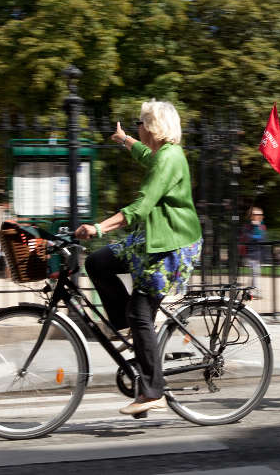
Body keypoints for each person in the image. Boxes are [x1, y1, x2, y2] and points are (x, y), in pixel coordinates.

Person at [74, 100, 202, 416]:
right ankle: (125, 328)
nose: (138, 128)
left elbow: (140, 208)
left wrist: (99, 227)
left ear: (154, 127)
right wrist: (124, 140)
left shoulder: (170, 158)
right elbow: (148, 157)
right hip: (151, 238)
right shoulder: (162, 155)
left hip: (172, 246)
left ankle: (153, 392)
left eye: (141, 124)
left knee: (141, 311)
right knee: (97, 263)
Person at [241, 207, 267, 298]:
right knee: (255, 273)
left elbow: (263, 238)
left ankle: (248, 292)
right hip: (250, 254)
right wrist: (255, 227)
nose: (259, 216)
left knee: (254, 273)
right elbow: (250, 238)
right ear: (251, 216)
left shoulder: (261, 226)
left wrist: (257, 227)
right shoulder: (248, 226)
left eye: (260, 214)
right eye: (256, 214)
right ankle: (256, 291)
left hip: (258, 254)